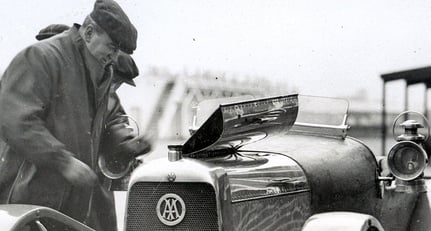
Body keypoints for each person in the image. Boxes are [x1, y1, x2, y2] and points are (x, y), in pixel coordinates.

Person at [0, 0, 146, 230]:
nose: (114, 57)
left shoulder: (100, 71)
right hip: (27, 206)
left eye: (118, 51)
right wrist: (63, 161)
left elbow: (108, 119)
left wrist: (123, 144)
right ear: (88, 32)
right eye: (111, 47)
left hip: (67, 210)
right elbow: (15, 120)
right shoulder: (41, 58)